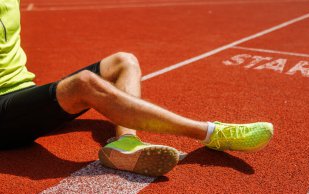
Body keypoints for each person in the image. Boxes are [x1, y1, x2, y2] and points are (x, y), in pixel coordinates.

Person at [0, 0, 273, 176]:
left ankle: (125, 142)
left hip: (23, 93)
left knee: (124, 61)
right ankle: (211, 133)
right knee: (84, 84)